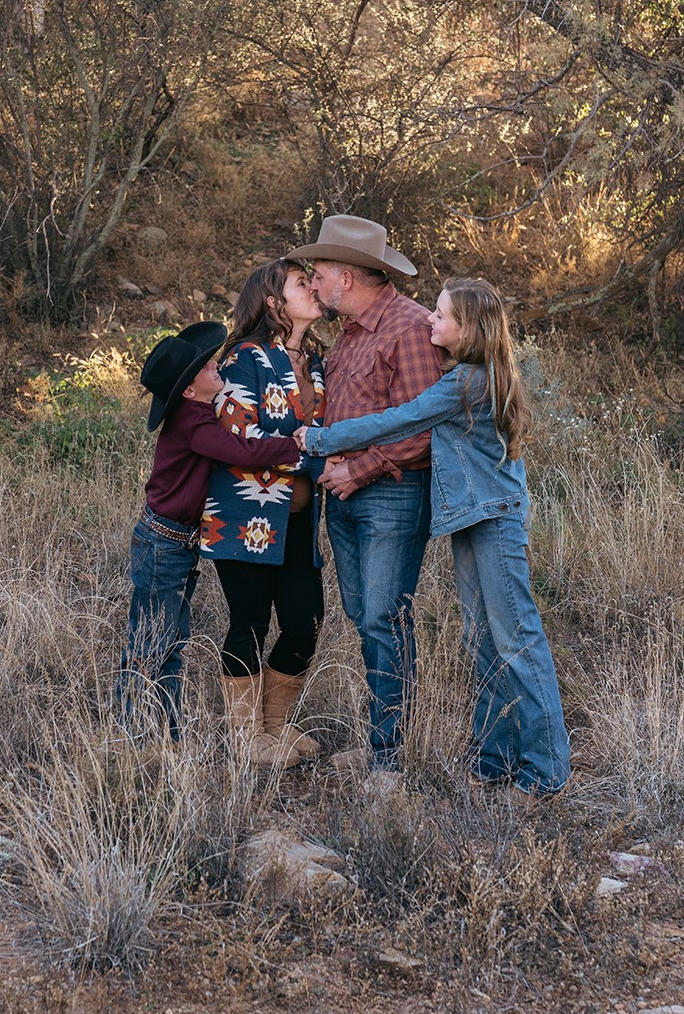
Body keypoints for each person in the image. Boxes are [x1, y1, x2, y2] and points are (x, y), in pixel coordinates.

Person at [300, 278, 570, 798]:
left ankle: (546, 769)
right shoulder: (468, 375)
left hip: (494, 519)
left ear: (466, 330)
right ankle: (493, 760)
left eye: (440, 316)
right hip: (469, 520)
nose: (430, 321)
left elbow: (397, 421)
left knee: (517, 637)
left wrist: (319, 439)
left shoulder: (467, 383)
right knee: (482, 640)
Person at [286, 215, 446, 778]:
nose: (315, 281)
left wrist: (360, 468)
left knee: (383, 617)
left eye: (321, 271)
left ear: (346, 278)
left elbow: (425, 428)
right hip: (345, 496)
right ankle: (385, 736)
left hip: (391, 496)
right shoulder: (352, 334)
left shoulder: (410, 327)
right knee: (363, 614)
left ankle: (390, 758)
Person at [121, 321, 303, 736]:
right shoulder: (194, 423)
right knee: (151, 640)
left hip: (176, 542)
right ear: (188, 390)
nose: (216, 365)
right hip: (163, 541)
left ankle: (164, 730)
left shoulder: (201, 412)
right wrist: (296, 444)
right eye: (206, 368)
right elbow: (241, 450)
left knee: (171, 638)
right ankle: (135, 731)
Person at [198, 260, 328, 769]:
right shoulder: (243, 358)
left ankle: (274, 727)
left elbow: (330, 430)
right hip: (244, 516)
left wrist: (321, 449)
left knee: (305, 621)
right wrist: (315, 452)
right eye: (302, 284)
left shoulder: (316, 362)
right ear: (274, 303)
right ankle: (246, 737)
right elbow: (236, 438)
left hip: (297, 521)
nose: (314, 289)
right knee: (249, 622)